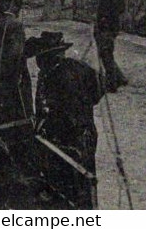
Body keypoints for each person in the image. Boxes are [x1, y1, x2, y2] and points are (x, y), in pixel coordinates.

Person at [25, 30, 103, 208]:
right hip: (85, 134)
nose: (38, 62)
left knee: (67, 183)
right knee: (84, 179)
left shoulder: (53, 76)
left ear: (47, 57)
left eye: (40, 57)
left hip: (67, 138)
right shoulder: (78, 67)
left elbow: (51, 112)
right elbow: (99, 90)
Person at [94, 0, 128, 92]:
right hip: (113, 26)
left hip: (104, 27)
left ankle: (112, 82)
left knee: (105, 54)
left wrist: (101, 21)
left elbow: (101, 11)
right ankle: (119, 77)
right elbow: (122, 9)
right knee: (107, 52)